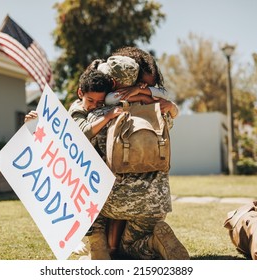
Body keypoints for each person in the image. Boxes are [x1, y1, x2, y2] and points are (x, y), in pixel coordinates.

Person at [87, 46, 189, 260]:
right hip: (156, 204)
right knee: (134, 243)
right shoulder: (161, 111)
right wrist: (155, 99)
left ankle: (101, 246)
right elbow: (174, 112)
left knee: (84, 180)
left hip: (113, 205)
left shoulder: (100, 113)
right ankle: (151, 242)